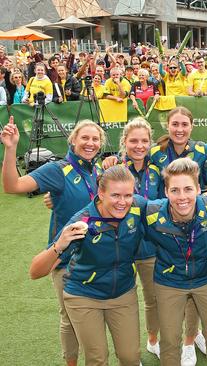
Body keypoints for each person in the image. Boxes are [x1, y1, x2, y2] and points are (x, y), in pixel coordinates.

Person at [3, 119, 107, 366]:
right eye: (85, 138)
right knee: (69, 318)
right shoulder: (58, 170)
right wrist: (10, 148)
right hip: (66, 261)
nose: (90, 143)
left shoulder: (99, 171)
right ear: (73, 140)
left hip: (99, 259)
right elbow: (12, 186)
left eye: (95, 139)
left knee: (97, 316)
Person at [29, 165, 144, 366]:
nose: (122, 202)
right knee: (97, 359)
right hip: (84, 296)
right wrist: (59, 245)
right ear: (101, 192)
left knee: (130, 357)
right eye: (115, 195)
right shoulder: (82, 222)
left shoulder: (138, 207)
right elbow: (35, 271)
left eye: (128, 195)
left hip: (123, 293)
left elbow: (169, 208)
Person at [144, 158, 207, 366]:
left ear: (199, 189)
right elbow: (122, 203)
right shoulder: (151, 212)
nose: (182, 197)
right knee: (170, 340)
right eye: (175, 190)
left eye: (188, 189)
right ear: (166, 192)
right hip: (169, 281)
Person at [118, 118, 165, 357]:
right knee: (123, 304)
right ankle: (129, 351)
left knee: (152, 298)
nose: (139, 145)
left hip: (148, 244)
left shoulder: (157, 168)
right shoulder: (112, 169)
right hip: (119, 245)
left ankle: (153, 340)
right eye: (133, 141)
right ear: (124, 142)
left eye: (144, 141)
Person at [149, 106, 207, 172]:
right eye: (175, 124)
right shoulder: (154, 152)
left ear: (191, 127)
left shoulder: (205, 151)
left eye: (184, 124)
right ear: (167, 126)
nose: (180, 130)